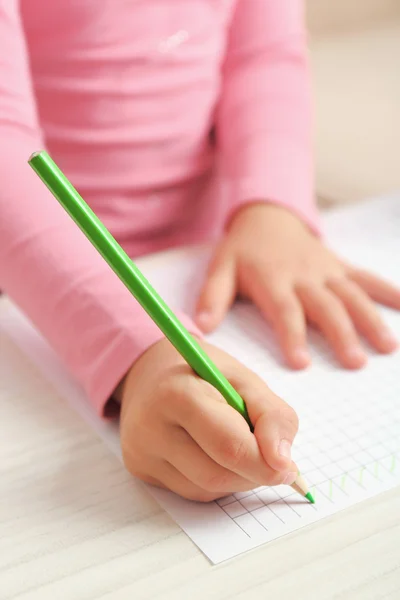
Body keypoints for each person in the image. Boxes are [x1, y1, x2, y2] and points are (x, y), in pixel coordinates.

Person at [1, 1, 399, 502]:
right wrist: (134, 346)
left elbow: (264, 57)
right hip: (34, 282)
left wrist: (271, 207)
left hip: (206, 246)